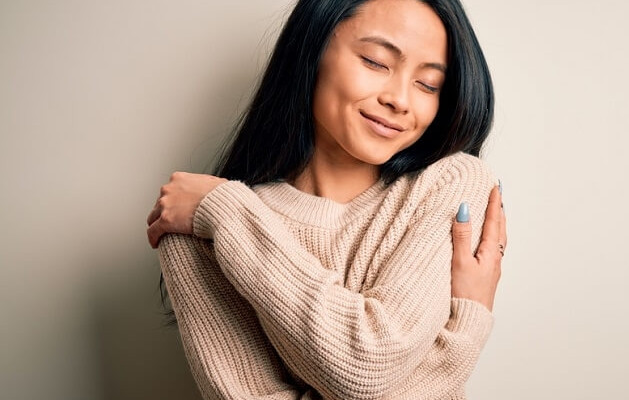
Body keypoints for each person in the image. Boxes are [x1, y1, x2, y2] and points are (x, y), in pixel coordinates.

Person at [146, 0, 506, 398]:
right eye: (375, 62)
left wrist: (226, 213)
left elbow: (367, 365)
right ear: (311, 50)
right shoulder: (196, 228)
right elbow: (367, 369)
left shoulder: (450, 183)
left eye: (428, 85)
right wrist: (462, 333)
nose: (400, 100)